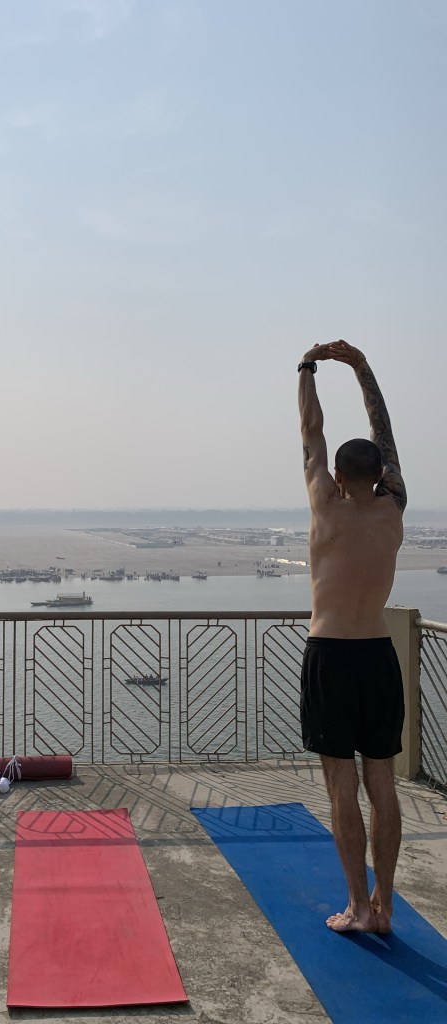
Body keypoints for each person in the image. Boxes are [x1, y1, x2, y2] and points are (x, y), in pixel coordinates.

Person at [298, 340, 407, 935]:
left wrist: (308, 369)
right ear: (381, 474)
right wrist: (362, 368)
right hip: (379, 654)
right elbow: (383, 432)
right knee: (381, 779)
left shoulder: (325, 502)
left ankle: (358, 906)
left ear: (338, 475)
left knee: (340, 779)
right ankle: (386, 907)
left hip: (332, 654)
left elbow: (310, 430)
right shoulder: (394, 506)